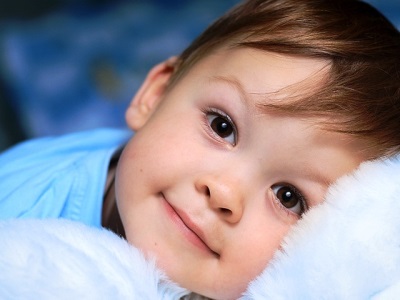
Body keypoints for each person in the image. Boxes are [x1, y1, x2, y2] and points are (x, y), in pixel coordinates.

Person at [1, 0, 399, 299]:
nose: (223, 192)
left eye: (288, 197)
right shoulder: (20, 219)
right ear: (155, 96)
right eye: (221, 126)